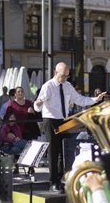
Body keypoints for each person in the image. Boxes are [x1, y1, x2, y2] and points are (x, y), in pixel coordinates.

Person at [34, 62, 105, 193]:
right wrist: (38, 104)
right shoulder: (48, 86)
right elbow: (37, 105)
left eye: (67, 76)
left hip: (64, 121)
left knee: (65, 150)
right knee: (53, 153)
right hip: (50, 120)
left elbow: (80, 99)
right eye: (63, 76)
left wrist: (96, 99)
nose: (65, 78)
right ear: (56, 73)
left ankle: (61, 179)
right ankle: (53, 182)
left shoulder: (67, 86)